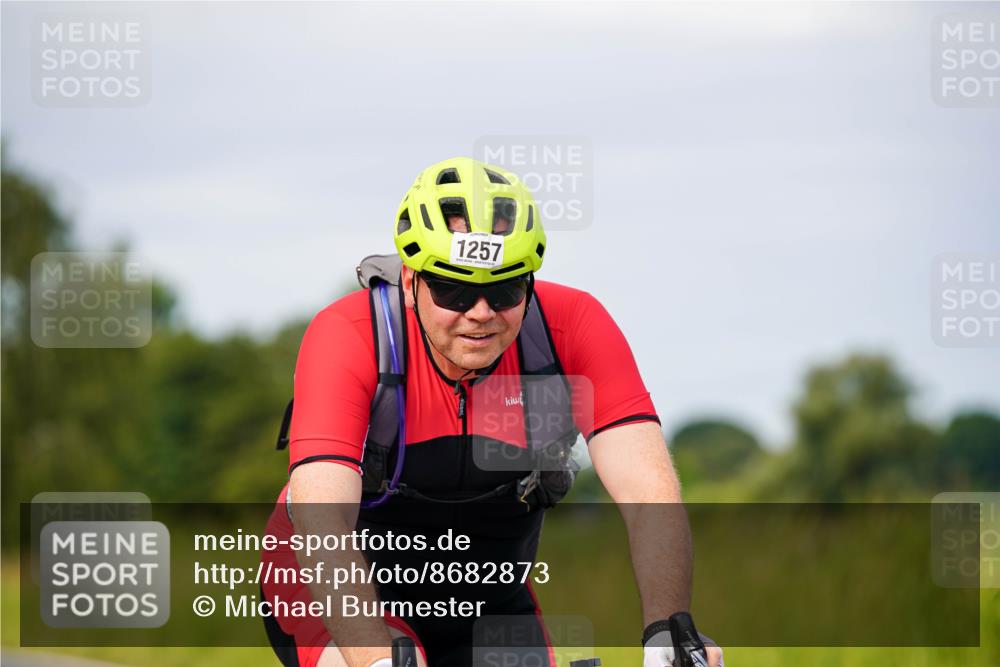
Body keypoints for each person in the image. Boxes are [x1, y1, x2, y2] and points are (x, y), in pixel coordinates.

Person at [261, 157, 724, 667]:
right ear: (411, 279)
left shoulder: (571, 328)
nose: (480, 313)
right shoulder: (351, 335)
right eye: (454, 289)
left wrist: (668, 629)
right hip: (331, 588)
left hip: (488, 598)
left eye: (504, 288)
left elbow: (648, 495)